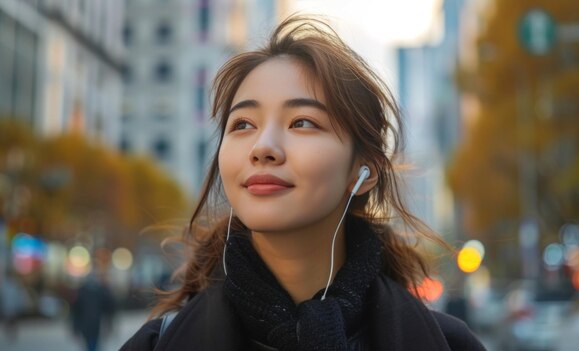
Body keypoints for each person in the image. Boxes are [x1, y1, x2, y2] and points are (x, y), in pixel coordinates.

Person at [121, 15, 486, 351]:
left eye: (302, 123)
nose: (262, 148)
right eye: (243, 125)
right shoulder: (158, 344)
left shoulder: (447, 344)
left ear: (364, 171)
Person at [71, 271, 116, 351]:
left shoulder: (82, 291)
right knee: (92, 342)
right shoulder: (100, 291)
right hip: (92, 323)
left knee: (91, 342)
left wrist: (75, 326)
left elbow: (75, 311)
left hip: (91, 323)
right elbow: (110, 307)